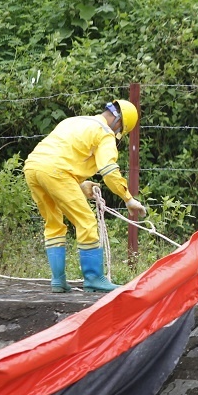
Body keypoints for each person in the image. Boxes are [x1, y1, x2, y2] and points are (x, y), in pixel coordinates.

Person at [23, 100, 147, 293]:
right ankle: (93, 278)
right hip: (56, 171)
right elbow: (109, 172)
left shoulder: (75, 121)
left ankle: (58, 281)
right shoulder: (104, 133)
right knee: (86, 222)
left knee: (54, 223)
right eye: (119, 132)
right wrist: (128, 198)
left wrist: (80, 185)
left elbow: (61, 157)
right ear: (119, 123)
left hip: (32, 167)